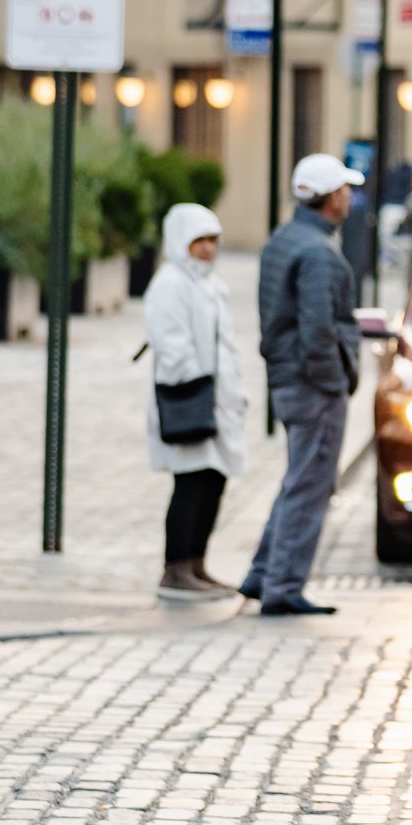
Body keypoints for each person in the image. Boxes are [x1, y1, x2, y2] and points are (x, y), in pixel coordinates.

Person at [241, 153, 364, 617]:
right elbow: (317, 329)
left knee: (297, 480)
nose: (350, 197)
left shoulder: (284, 239)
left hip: (288, 379)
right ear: (332, 197)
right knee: (310, 485)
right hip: (312, 386)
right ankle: (283, 585)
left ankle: (262, 574)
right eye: (346, 190)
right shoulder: (317, 252)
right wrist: (336, 382)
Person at [145, 202, 248, 600]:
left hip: (216, 400)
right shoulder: (171, 283)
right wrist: (195, 387)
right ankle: (176, 566)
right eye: (198, 240)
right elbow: (172, 344)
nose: (207, 248)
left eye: (212, 240)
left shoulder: (211, 285)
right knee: (190, 482)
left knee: (213, 480)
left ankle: (197, 562)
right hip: (191, 399)